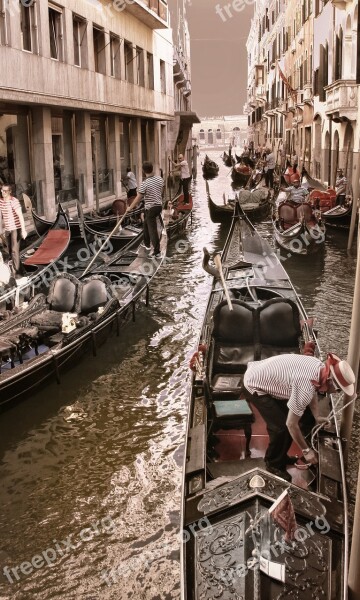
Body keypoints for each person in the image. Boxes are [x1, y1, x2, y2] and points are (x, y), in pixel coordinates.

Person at [244, 353, 355, 481]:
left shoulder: (318, 366)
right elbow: (291, 424)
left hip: (261, 373)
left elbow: (313, 389)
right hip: (254, 384)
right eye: (339, 390)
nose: (337, 393)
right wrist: (306, 451)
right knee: (281, 428)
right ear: (330, 382)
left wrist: (317, 416)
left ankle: (280, 456)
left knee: (291, 421)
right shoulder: (305, 388)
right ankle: (273, 464)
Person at [126, 161, 164, 258]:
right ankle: (147, 244)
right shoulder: (160, 179)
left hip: (151, 208)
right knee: (146, 224)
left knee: (152, 229)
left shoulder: (144, 184)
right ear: (152, 169)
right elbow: (161, 191)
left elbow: (138, 198)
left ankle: (157, 252)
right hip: (158, 206)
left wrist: (130, 208)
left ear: (143, 171)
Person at [0, 184, 27, 276]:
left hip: (16, 229)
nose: (2, 192)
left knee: (15, 251)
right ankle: (22, 270)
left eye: (5, 191)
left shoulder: (14, 201)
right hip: (7, 229)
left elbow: (20, 216)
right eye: (2, 190)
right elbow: (2, 216)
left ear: (10, 191)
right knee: (10, 251)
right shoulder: (1, 201)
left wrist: (23, 230)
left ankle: (17, 274)